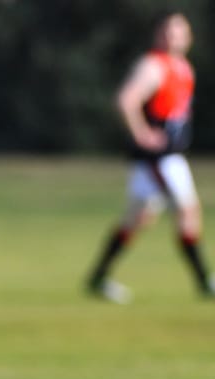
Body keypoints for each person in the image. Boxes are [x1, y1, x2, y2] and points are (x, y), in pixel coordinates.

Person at [85, 12, 215, 303]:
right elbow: (126, 100)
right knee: (186, 211)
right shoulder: (153, 65)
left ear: (189, 37)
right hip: (160, 158)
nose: (173, 37)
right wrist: (142, 133)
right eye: (168, 31)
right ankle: (205, 280)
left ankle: (98, 276)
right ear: (158, 35)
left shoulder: (183, 68)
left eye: (180, 31)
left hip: (169, 157)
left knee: (139, 218)